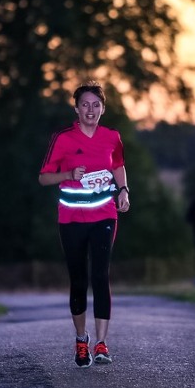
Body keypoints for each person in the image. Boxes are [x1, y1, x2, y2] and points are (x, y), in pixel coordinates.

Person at [38, 80, 130, 368]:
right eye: (85, 105)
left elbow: (117, 165)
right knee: (79, 281)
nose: (90, 110)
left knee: (100, 276)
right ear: (76, 109)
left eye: (96, 105)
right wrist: (68, 175)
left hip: (104, 214)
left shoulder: (112, 136)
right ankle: (82, 340)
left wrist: (124, 190)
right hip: (72, 218)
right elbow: (43, 178)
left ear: (103, 109)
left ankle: (102, 344)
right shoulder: (63, 139)